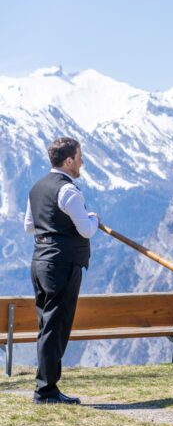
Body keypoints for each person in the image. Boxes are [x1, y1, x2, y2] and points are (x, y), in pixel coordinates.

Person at [23, 137, 100, 404]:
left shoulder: (37, 188)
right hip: (62, 264)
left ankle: (45, 386)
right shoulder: (68, 191)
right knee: (57, 326)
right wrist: (94, 219)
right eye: (80, 157)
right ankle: (46, 390)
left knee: (47, 324)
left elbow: (29, 227)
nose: (82, 162)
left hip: (40, 261)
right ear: (69, 161)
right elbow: (86, 230)